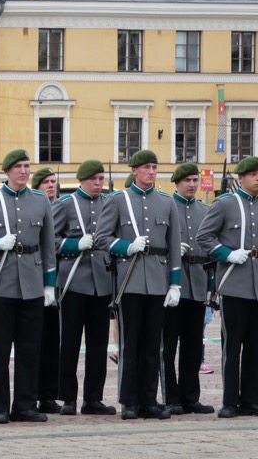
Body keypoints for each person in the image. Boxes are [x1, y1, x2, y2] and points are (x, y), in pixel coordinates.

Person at [0, 149, 56, 425]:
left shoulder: (40, 200)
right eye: (18, 167)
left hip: (32, 283)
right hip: (1, 283)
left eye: (27, 166)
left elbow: (48, 246)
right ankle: (1, 406)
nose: (24, 171)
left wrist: (49, 284)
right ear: (7, 171)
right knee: (1, 351)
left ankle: (25, 405)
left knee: (30, 349)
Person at [94, 150, 181, 420]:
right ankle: (129, 401)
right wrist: (126, 246)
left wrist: (175, 283)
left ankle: (149, 401)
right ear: (134, 170)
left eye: (154, 167)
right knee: (130, 344)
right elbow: (101, 238)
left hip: (157, 281)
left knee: (153, 345)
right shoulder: (118, 200)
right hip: (129, 280)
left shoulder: (166, 202)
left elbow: (173, 246)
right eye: (146, 167)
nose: (151, 172)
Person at [196, 155, 258, 418]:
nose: (257, 178)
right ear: (241, 178)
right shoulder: (225, 204)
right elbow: (204, 236)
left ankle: (251, 400)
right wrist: (227, 254)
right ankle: (230, 401)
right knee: (232, 347)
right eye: (253, 174)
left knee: (255, 347)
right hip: (234, 284)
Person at [54, 160, 115, 416]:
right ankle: (68, 398)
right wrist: (74, 245)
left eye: (101, 179)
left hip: (101, 282)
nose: (98, 184)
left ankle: (93, 398)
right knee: (69, 342)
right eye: (94, 179)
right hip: (73, 281)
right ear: (82, 180)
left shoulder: (109, 203)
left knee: (98, 344)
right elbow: (51, 241)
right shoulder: (65, 204)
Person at [162, 163, 215, 415]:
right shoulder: (167, 206)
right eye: (187, 180)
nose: (192, 184)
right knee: (168, 345)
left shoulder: (205, 210)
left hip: (198, 282)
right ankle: (171, 397)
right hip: (173, 284)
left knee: (193, 345)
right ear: (177, 183)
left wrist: (211, 287)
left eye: (195, 180)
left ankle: (190, 397)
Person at [30, 167, 61, 415]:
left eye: (53, 182)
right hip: (32, 280)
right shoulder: (34, 207)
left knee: (52, 341)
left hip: (56, 280)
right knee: (34, 342)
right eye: (46, 182)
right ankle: (32, 394)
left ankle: (48, 395)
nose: (51, 186)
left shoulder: (60, 206)